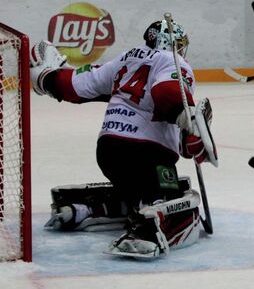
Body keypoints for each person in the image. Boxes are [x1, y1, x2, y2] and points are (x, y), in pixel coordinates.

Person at [30, 18, 216, 258]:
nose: (181, 50)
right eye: (178, 45)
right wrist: (186, 118)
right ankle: (148, 229)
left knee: (137, 187)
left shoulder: (125, 59)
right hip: (150, 154)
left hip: (109, 151)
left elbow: (77, 86)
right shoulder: (174, 61)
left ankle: (85, 210)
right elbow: (167, 94)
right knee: (176, 200)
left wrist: (46, 78)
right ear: (168, 43)